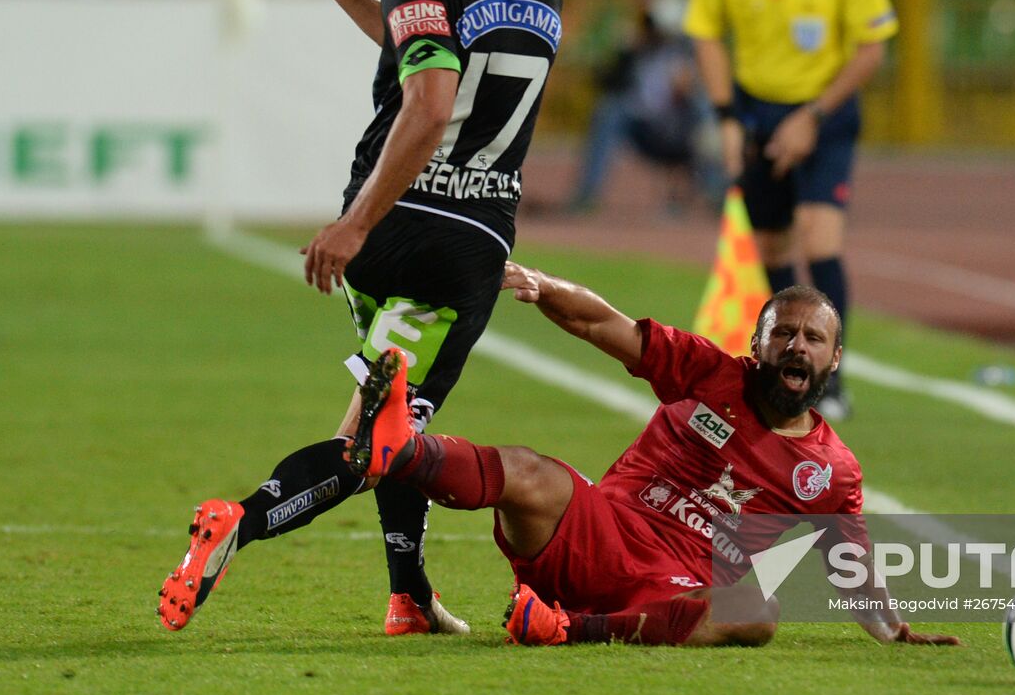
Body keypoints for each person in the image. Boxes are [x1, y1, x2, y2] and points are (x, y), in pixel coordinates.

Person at [159, 0, 561, 637]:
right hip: (462, 246)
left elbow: (420, 61)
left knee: (395, 418)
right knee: (375, 442)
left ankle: (408, 595)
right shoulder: (545, 0)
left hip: (387, 235)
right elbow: (433, 98)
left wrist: (356, 223)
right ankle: (238, 520)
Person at [166, 261, 963, 649]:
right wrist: (546, 289)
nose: (794, 347)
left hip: (669, 581)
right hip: (598, 528)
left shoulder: (834, 471)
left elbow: (849, 561)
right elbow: (607, 325)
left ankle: (557, 625)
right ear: (755, 345)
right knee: (534, 472)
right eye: (781, 333)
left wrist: (894, 632)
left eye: (810, 339)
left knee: (756, 614)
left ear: (833, 359)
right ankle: (401, 451)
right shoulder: (708, 372)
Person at [684, 0, 899, 422]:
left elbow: (872, 46)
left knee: (819, 237)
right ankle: (787, 374)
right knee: (773, 245)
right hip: (755, 109)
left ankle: (833, 380)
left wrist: (814, 117)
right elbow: (705, 33)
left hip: (825, 110)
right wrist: (727, 117)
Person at [568, 0, 726, 215]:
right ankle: (587, 194)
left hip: (681, 133)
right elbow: (604, 83)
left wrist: (690, 87)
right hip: (648, 131)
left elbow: (711, 99)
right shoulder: (638, 51)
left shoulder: (689, 54)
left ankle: (716, 193)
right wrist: (623, 52)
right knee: (611, 110)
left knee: (706, 110)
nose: (651, 29)